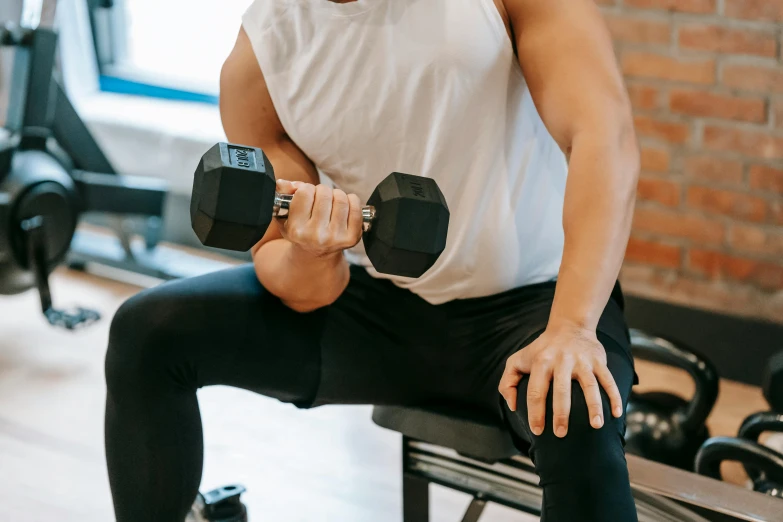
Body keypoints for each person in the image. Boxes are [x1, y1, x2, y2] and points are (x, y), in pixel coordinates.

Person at [104, 0, 641, 520]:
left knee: (578, 409)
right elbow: (295, 279)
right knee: (149, 332)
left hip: (535, 309)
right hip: (380, 309)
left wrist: (572, 325)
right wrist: (313, 249)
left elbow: (603, 136)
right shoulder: (262, 56)